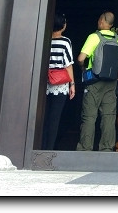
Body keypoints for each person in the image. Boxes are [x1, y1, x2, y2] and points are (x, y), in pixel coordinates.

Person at [76, 11, 118, 152]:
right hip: (111, 82)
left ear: (101, 21)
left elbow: (80, 58)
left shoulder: (94, 37)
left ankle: (85, 148)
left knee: (89, 116)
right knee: (109, 116)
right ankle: (107, 148)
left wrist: (84, 69)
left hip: (94, 82)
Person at [42, 12, 75, 150]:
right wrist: (72, 84)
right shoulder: (65, 41)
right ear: (63, 26)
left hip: (44, 81)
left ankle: (40, 145)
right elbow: (68, 64)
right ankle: (49, 148)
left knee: (43, 116)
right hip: (59, 83)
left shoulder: (44, 39)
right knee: (54, 118)